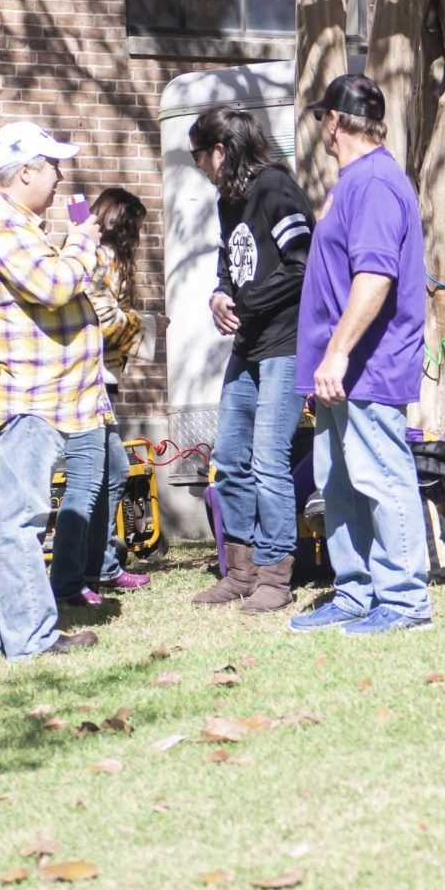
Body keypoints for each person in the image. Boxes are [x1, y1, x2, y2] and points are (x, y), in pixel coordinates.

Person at [0, 120, 109, 661]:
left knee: (7, 517)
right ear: (25, 172)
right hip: (30, 393)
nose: (61, 176)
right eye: (53, 165)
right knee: (22, 519)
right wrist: (84, 243)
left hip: (32, 390)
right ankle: (32, 637)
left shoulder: (6, 221)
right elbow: (54, 285)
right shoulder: (1, 224)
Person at [288, 75, 433, 636]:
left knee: (381, 478)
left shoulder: (373, 183)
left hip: (367, 365)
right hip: (341, 371)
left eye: (321, 119)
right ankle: (356, 592)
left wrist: (339, 353)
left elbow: (375, 278)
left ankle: (404, 599)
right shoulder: (354, 182)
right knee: (341, 483)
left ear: (333, 122)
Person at [187, 104, 315, 616]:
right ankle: (238, 571)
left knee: (268, 459)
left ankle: (274, 574)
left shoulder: (275, 189)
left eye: (198, 156)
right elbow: (231, 262)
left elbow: (303, 263)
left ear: (220, 151)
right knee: (230, 457)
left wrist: (249, 302)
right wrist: (220, 295)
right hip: (247, 347)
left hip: (285, 345)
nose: (198, 167)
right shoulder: (229, 201)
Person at [81, 187, 153, 600]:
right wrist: (145, 327)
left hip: (100, 378)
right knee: (105, 472)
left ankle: (101, 564)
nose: (139, 239)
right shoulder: (100, 259)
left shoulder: (100, 256)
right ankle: (95, 567)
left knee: (111, 471)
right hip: (90, 379)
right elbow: (105, 318)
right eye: (137, 229)